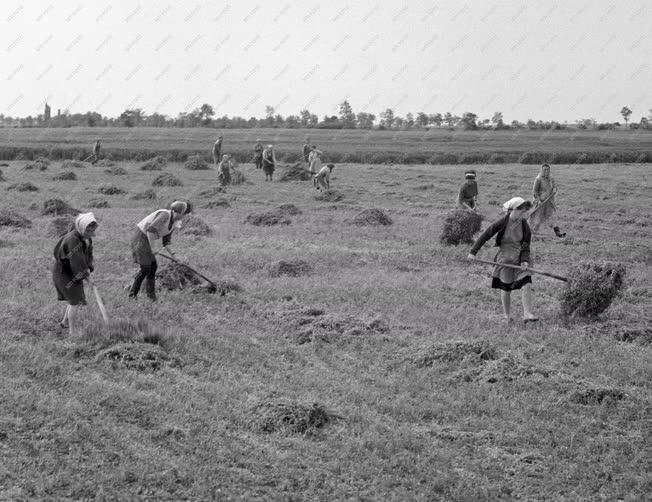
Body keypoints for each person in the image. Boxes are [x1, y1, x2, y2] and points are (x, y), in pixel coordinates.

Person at [467, 197, 538, 323]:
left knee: (527, 283)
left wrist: (524, 260)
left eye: (524, 212)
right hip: (505, 258)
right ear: (512, 210)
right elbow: (485, 235)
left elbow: (526, 245)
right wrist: (473, 252)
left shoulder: (525, 226)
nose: (523, 214)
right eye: (520, 211)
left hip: (519, 257)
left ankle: (527, 314)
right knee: (506, 288)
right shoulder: (502, 222)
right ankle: (507, 316)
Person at [129, 200, 193, 301]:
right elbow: (150, 230)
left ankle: (152, 297)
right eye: (183, 213)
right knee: (145, 268)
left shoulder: (174, 223)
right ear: (178, 212)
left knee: (153, 267)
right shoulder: (165, 215)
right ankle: (132, 295)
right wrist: (153, 248)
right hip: (140, 237)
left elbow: (166, 243)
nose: (184, 216)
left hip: (148, 240)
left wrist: (175, 256)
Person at [52, 212, 98, 335]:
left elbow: (87, 255)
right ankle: (72, 333)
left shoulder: (86, 239)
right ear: (81, 227)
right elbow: (77, 261)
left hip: (73, 270)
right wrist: (87, 276)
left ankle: (64, 323)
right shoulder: (73, 240)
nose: (90, 234)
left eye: (92, 231)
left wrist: (89, 268)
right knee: (75, 301)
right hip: (64, 272)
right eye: (88, 231)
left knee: (74, 297)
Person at [529, 164, 566, 237]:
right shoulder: (538, 179)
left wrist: (555, 189)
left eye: (548, 169)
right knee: (537, 219)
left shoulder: (551, 178)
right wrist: (538, 200)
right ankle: (531, 233)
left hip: (549, 202)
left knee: (552, 217)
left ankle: (558, 233)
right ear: (541, 170)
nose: (546, 171)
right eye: (544, 169)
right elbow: (535, 191)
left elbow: (555, 186)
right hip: (540, 203)